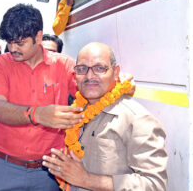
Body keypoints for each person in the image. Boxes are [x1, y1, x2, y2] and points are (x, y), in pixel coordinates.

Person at [0, 3, 84, 190]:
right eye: (9, 42)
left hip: (49, 173)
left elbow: (88, 93)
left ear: (38, 36)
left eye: (20, 43)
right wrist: (38, 114)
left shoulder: (64, 65)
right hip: (5, 168)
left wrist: (114, 82)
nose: (12, 48)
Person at [42, 42, 168, 191]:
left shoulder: (137, 119)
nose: (89, 76)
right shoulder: (77, 112)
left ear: (116, 72)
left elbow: (155, 185)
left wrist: (86, 179)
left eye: (99, 68)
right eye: (82, 69)